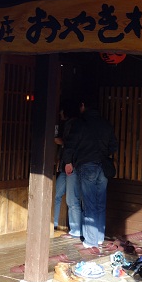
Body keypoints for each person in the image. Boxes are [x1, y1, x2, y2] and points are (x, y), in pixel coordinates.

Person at [63, 96, 118, 251]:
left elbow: (70, 145)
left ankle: (91, 241)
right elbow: (113, 146)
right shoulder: (106, 124)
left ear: (83, 105)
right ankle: (99, 237)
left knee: (89, 203)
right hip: (103, 166)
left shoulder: (80, 123)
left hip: (87, 164)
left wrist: (68, 161)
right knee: (100, 202)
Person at [54, 100, 81, 238]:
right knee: (56, 195)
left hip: (72, 166)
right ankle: (53, 224)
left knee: (72, 200)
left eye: (61, 111)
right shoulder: (70, 123)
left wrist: (61, 142)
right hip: (66, 166)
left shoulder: (74, 124)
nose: (60, 114)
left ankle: (76, 230)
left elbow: (71, 144)